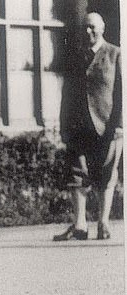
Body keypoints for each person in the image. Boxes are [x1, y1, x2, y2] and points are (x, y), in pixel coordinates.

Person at [54, 12, 122, 241]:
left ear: (102, 28)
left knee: (106, 174)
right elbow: (67, 94)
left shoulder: (116, 54)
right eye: (84, 27)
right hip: (78, 126)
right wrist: (64, 125)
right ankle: (80, 224)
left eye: (92, 27)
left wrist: (120, 125)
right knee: (77, 175)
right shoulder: (75, 56)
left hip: (108, 126)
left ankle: (103, 223)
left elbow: (122, 93)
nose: (87, 32)